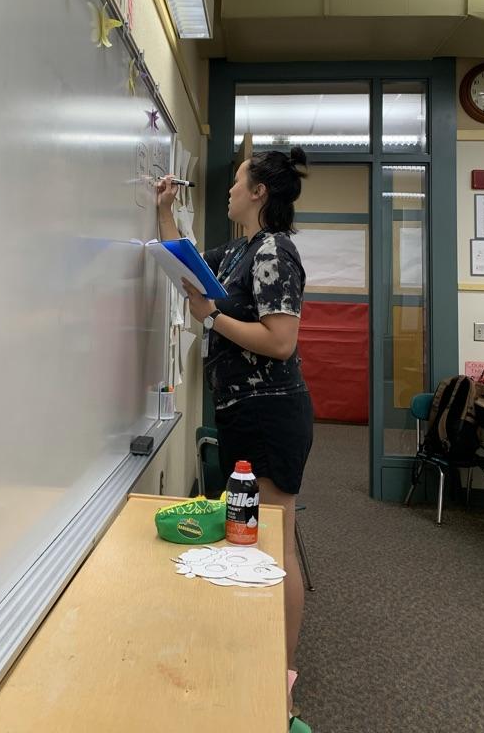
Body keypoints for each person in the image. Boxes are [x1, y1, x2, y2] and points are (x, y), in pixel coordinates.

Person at [157, 148, 313, 713]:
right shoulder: (241, 251)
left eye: (237, 181)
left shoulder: (274, 251)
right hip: (243, 411)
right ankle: (260, 660)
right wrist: (164, 211)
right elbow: (188, 262)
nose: (228, 190)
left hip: (272, 414)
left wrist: (213, 318)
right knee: (255, 539)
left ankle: (280, 679)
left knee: (272, 542)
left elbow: (280, 341)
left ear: (259, 193)